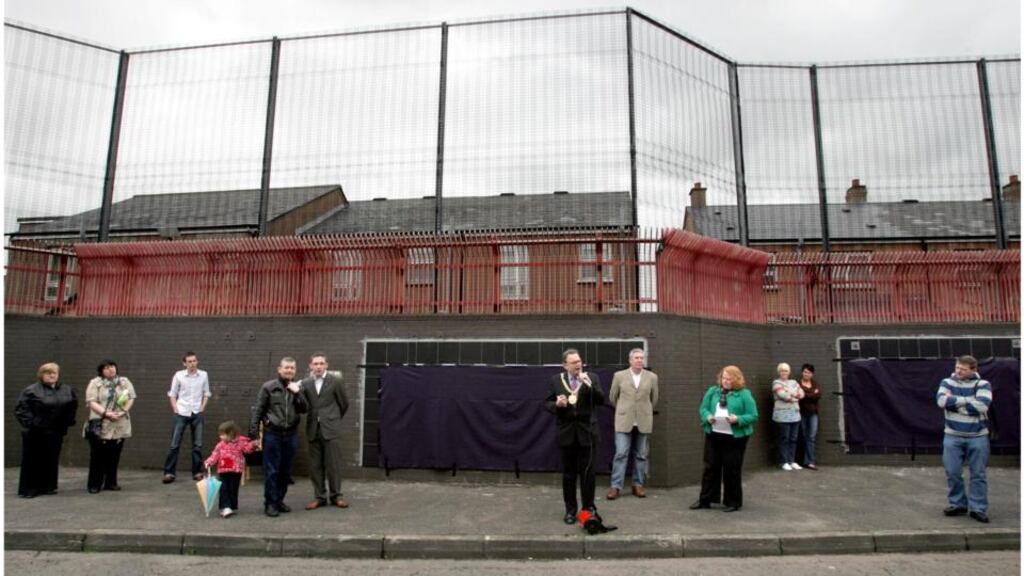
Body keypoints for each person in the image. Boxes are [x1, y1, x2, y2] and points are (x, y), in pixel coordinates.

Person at [545, 348, 604, 525]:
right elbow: (546, 403)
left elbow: (601, 400)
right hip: (567, 434)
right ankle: (570, 511)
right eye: (574, 362)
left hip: (588, 434)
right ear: (565, 365)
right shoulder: (556, 380)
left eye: (579, 361)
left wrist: (589, 386)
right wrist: (557, 404)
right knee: (569, 475)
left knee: (588, 474)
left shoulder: (592, 378)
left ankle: (587, 510)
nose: (578, 365)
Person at [690, 365, 758, 512]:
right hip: (714, 434)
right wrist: (708, 417)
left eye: (729, 379)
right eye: (724, 378)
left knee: (731, 469)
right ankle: (705, 499)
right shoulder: (713, 391)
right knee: (710, 467)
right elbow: (703, 409)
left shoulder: (745, 394)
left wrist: (738, 419)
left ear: (737, 379)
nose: (726, 381)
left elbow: (753, 415)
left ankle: (733, 502)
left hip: (735, 438)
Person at [937, 355, 992, 523]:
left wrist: (954, 403)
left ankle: (978, 508)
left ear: (973, 369)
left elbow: (982, 405)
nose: (958, 371)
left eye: (963, 369)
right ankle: (958, 504)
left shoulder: (983, 384)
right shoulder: (947, 382)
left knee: (978, 474)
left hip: (978, 436)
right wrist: (969, 401)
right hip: (952, 435)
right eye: (957, 367)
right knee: (952, 472)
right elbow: (941, 401)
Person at [250, 357, 308, 517]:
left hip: (291, 435)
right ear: (279, 369)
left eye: (292, 368)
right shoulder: (269, 387)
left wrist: (298, 393)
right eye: (286, 368)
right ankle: (270, 504)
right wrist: (254, 435)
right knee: (271, 471)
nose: (289, 370)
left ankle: (279, 500)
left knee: (285, 471)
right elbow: (258, 411)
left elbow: (304, 409)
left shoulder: (297, 388)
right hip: (272, 434)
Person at [15, 363, 78, 498]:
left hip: (56, 431)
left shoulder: (66, 389)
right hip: (36, 432)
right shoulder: (31, 390)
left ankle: (48, 486)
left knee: (51, 458)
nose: (51, 375)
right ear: (41, 375)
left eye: (54, 372)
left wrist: (68, 421)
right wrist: (32, 423)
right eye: (48, 372)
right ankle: (30, 489)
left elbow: (72, 405)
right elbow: (21, 409)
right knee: (33, 460)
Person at [300, 352, 350, 510]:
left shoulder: (335, 381)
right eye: (315, 364)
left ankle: (336, 496)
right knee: (315, 466)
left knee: (333, 464)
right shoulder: (306, 383)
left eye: (321, 363)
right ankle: (320, 497)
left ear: (326, 365)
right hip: (313, 429)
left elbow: (344, 404)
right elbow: (304, 405)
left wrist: (332, 419)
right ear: (310, 366)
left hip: (331, 429)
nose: (318, 366)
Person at [607, 348, 659, 500]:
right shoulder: (619, 376)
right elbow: (612, 397)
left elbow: (654, 399)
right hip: (624, 420)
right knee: (621, 453)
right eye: (636, 358)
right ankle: (615, 486)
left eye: (642, 358)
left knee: (641, 455)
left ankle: (638, 485)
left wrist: (643, 410)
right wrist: (625, 409)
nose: (639, 360)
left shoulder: (652, 377)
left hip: (644, 420)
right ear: (630, 360)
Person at [85, 359, 136, 493]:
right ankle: (94, 484)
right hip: (101, 421)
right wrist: (105, 413)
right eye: (106, 368)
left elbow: (131, 397)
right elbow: (91, 401)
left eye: (112, 366)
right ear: (101, 371)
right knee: (98, 455)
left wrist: (123, 411)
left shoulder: (124, 382)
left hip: (119, 421)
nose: (110, 369)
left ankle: (111, 482)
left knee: (114, 454)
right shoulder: (95, 383)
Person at [162, 351, 212, 484]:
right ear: (184, 363)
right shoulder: (178, 375)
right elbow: (172, 394)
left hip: (197, 412)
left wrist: (202, 407)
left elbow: (206, 393)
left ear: (197, 361)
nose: (192, 364)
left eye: (194, 361)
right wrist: (175, 409)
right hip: (181, 412)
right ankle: (169, 473)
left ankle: (197, 472)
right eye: (189, 361)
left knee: (198, 445)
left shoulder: (203, 375)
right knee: (174, 444)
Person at [203, 421, 259, 518]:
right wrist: (209, 462)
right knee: (224, 489)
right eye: (220, 435)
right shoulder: (220, 445)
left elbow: (247, 449)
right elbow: (215, 455)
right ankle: (225, 507)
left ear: (231, 433)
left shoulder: (241, 442)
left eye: (223, 435)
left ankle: (231, 506)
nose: (221, 437)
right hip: (224, 471)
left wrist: (253, 444)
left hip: (236, 470)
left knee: (233, 489)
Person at [772, 362, 803, 471]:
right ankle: (783, 462)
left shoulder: (794, 382)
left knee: (793, 439)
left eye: (786, 370)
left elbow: (802, 393)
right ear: (779, 372)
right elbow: (783, 395)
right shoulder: (776, 383)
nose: (784, 372)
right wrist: (793, 394)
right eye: (782, 370)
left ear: (789, 372)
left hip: (795, 415)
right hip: (782, 416)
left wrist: (791, 394)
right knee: (784, 439)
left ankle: (792, 460)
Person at [797, 363, 821, 470]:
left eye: (809, 372)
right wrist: (811, 394)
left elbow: (818, 395)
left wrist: (805, 394)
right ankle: (802, 461)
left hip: (813, 414)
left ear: (812, 374)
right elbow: (799, 397)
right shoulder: (797, 384)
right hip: (801, 413)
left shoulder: (815, 384)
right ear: (802, 372)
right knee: (802, 436)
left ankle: (810, 461)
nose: (806, 374)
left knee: (811, 437)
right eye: (805, 372)